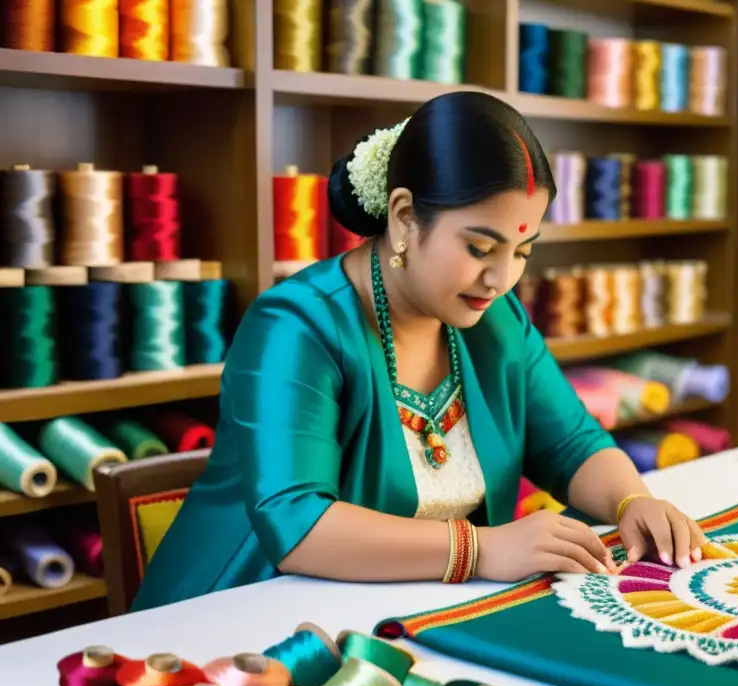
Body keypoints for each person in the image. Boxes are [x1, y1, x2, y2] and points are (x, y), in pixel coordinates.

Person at [131, 91, 708, 612]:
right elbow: (298, 524)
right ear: (406, 217)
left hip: (404, 608)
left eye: (523, 251)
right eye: (481, 246)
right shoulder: (296, 326)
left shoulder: (493, 321)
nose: (501, 277)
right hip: (242, 618)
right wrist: (480, 550)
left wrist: (632, 501)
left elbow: (573, 444)